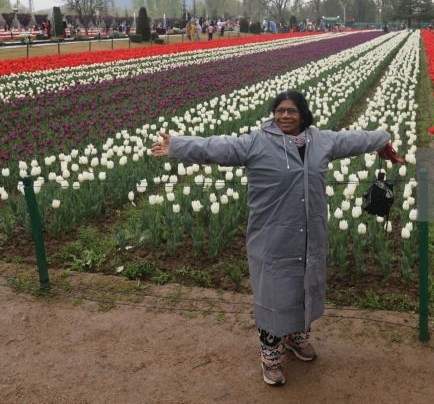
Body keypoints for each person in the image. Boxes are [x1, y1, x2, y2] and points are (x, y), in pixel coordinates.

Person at [150, 90, 403, 386]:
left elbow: (354, 139)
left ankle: (296, 337)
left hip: (309, 232)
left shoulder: (321, 141)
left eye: (291, 111)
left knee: (304, 286)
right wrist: (179, 145)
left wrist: (381, 138)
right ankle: (270, 355)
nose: (284, 115)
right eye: (280, 110)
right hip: (273, 235)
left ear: (303, 114)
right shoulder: (257, 142)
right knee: (275, 293)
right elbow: (218, 147)